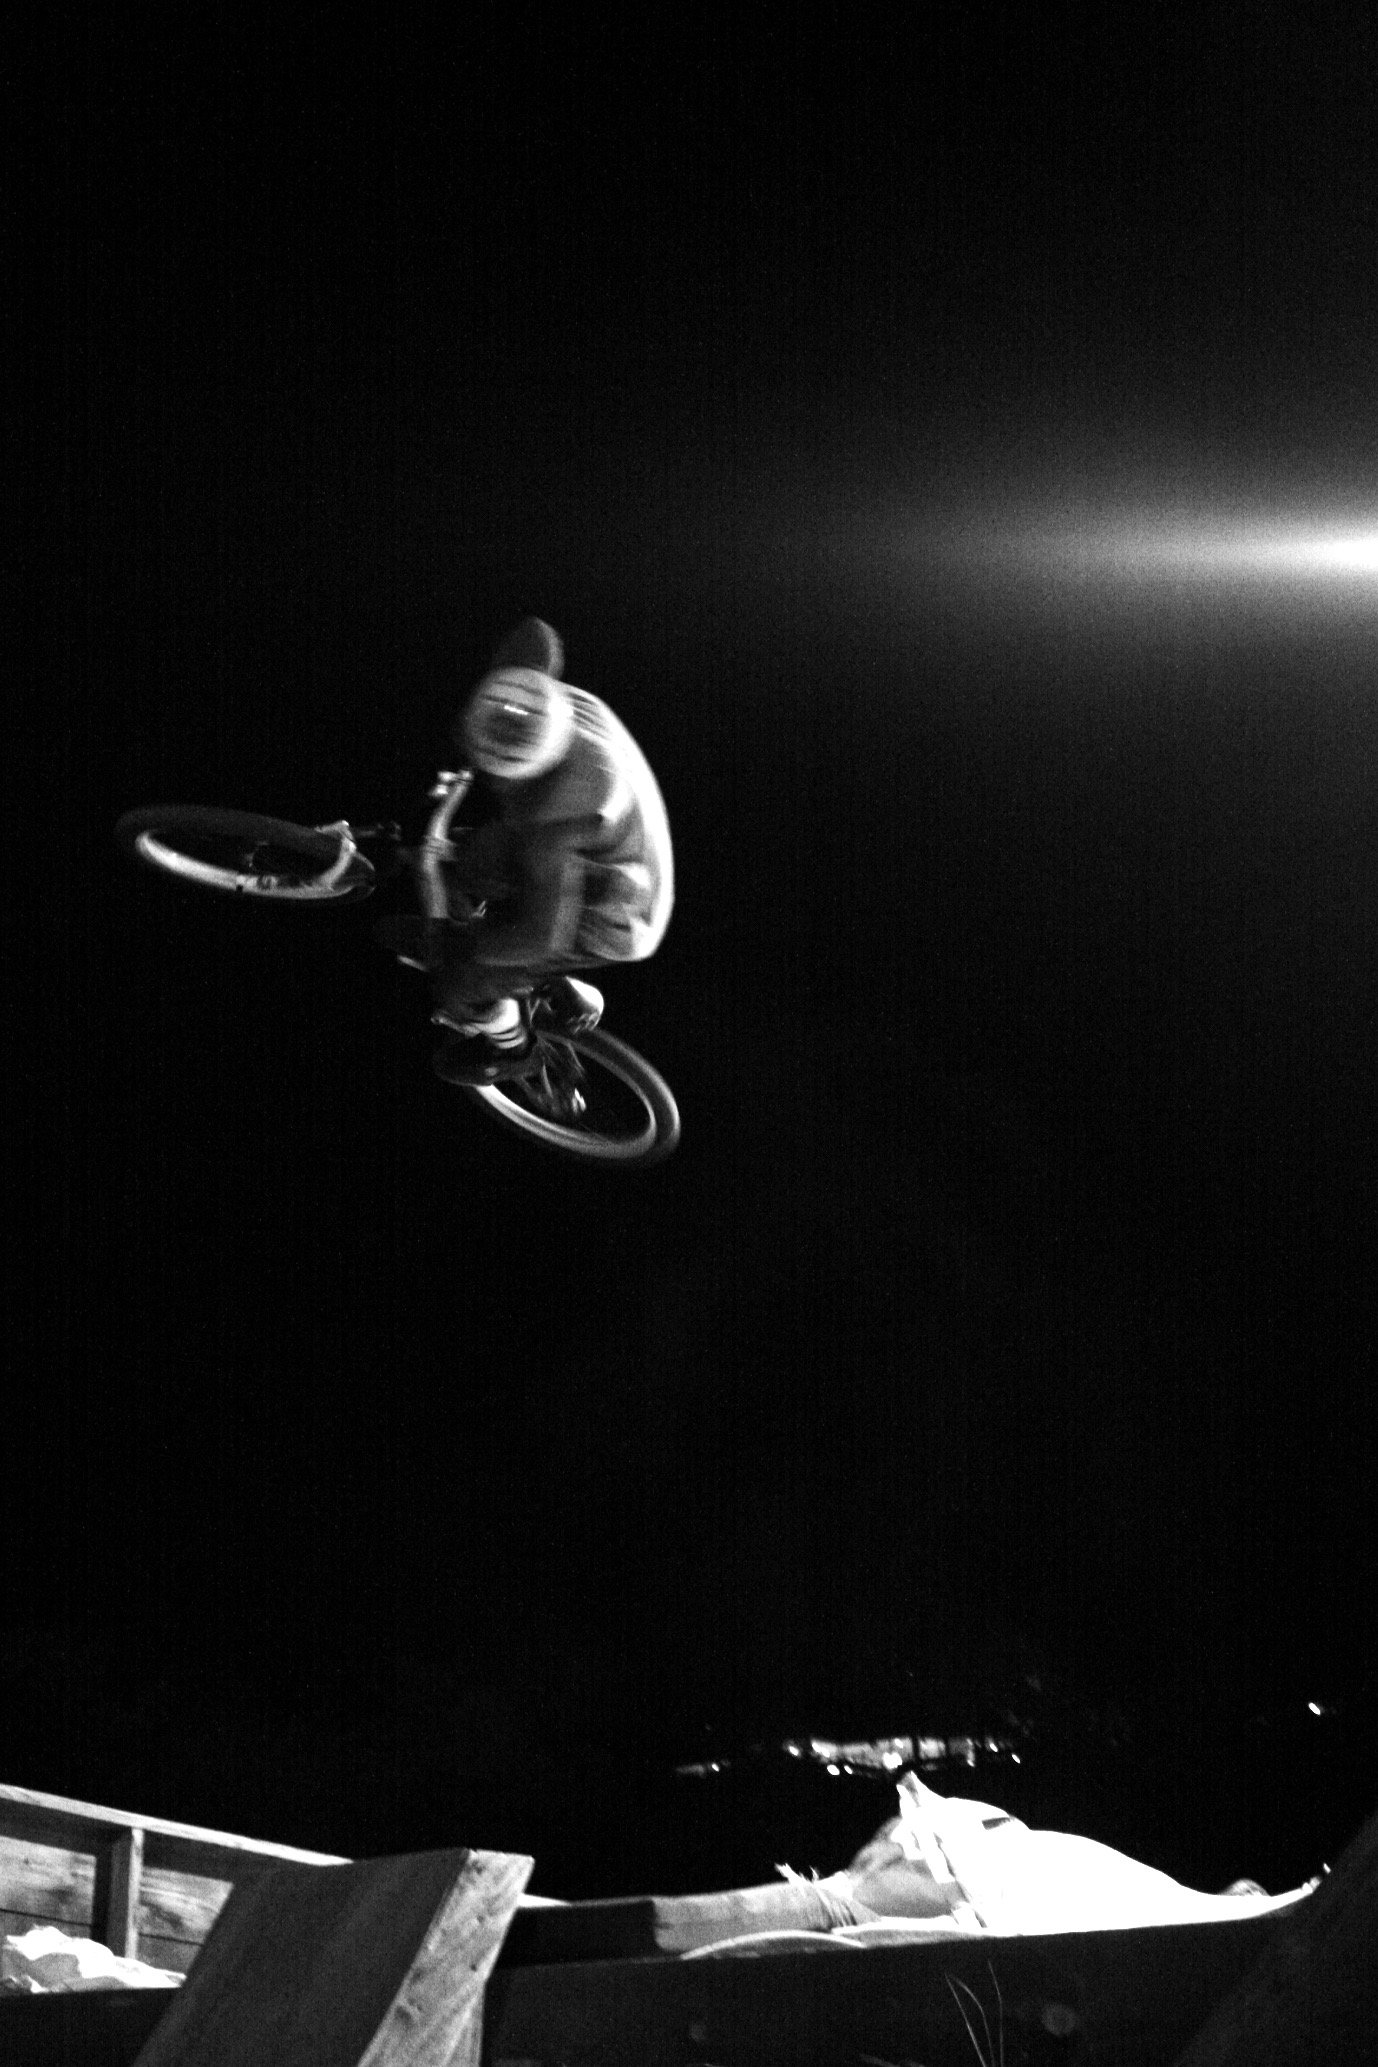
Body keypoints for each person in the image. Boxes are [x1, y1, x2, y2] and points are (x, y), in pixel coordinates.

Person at [419, 619, 674, 1085]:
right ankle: (530, 977)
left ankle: (515, 1050)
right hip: (616, 851)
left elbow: (541, 936)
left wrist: (464, 950)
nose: (490, 776)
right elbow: (535, 636)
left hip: (619, 915)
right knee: (478, 860)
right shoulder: (551, 703)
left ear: (532, 773)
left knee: (463, 981)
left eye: (499, 773)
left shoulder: (555, 832)